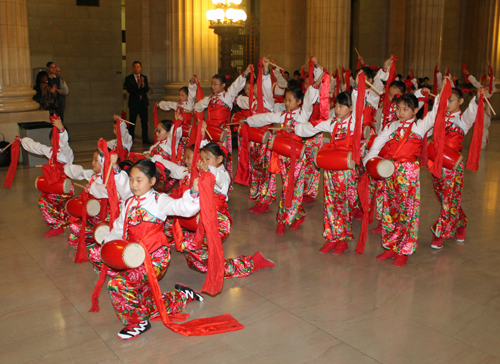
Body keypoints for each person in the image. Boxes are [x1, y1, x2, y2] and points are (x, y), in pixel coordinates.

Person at [99, 159, 203, 340]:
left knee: (117, 284)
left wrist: (194, 192)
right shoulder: (130, 202)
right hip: (134, 256)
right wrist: (106, 243)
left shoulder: (159, 200)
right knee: (147, 304)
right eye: (131, 179)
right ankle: (183, 295)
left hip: (155, 258)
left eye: (139, 180)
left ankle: (138, 323)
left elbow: (184, 208)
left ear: (152, 181)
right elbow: (118, 228)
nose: (133, 184)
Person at [362, 78, 449, 267]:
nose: (400, 113)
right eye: (398, 108)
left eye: (405, 109)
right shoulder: (391, 126)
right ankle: (391, 246)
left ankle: (404, 249)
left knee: (407, 211)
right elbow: (378, 144)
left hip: (408, 174)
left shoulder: (419, 126)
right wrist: (368, 159)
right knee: (389, 210)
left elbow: (435, 114)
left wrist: (442, 91)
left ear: (415, 111)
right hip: (389, 172)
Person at [179, 141, 275, 278]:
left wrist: (207, 168)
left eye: (208, 158)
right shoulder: (204, 171)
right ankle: (245, 263)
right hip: (203, 219)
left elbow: (215, 174)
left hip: (218, 222)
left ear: (219, 159)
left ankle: (251, 263)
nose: (203, 162)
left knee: (192, 246)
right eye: (202, 158)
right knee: (199, 259)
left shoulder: (223, 175)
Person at [245, 79, 320, 235]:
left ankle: (282, 220)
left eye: (289, 100)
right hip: (283, 156)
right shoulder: (283, 115)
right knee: (288, 188)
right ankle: (297, 216)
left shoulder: (303, 114)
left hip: (297, 159)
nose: (286, 103)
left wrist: (314, 85)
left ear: (299, 102)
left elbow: (309, 102)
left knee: (290, 189)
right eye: (285, 100)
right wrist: (249, 121)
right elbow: (267, 117)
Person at [430, 88, 483, 249]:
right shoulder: (438, 117)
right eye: (445, 100)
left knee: (448, 200)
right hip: (437, 162)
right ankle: (461, 222)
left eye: (451, 100)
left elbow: (472, 111)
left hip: (452, 165)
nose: (447, 103)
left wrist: (478, 99)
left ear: (460, 101)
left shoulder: (462, 119)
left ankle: (440, 233)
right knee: (445, 198)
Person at [19, 117, 74, 237]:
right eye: (53, 139)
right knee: (49, 204)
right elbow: (37, 147)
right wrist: (22, 140)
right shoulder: (50, 151)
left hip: (64, 188)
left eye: (58, 138)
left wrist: (61, 129)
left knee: (44, 203)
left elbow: (64, 144)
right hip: (53, 186)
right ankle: (59, 223)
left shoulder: (67, 153)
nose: (56, 141)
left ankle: (57, 225)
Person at [124, 61, 151, 144]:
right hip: (134, 104)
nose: (136, 68)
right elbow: (129, 90)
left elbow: (146, 89)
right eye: (135, 67)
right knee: (132, 122)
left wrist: (142, 84)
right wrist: (138, 86)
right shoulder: (128, 78)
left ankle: (145, 139)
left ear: (141, 68)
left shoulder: (144, 77)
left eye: (138, 67)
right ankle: (130, 139)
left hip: (143, 103)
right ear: (132, 68)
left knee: (144, 122)